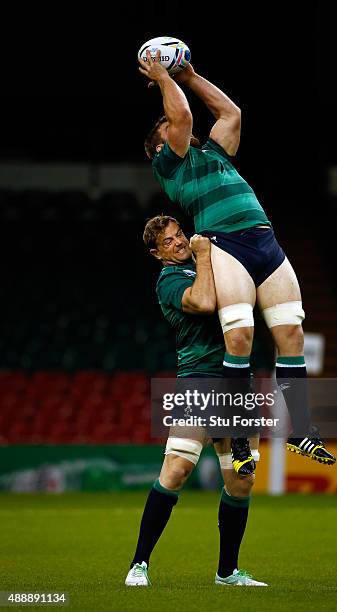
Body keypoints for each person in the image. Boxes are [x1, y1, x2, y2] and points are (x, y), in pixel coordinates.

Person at [138, 50, 336, 468]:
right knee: (241, 338)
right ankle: (240, 439)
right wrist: (161, 78)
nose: (174, 127)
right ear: (159, 146)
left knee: (292, 338)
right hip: (226, 245)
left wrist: (189, 76)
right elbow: (184, 119)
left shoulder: (214, 155)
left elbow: (231, 113)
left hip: (265, 242)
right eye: (166, 127)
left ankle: (300, 431)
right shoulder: (170, 166)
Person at [125, 215, 267, 587]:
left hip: (238, 383)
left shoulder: (211, 265)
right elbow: (204, 302)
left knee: (241, 479)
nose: (179, 242)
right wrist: (204, 254)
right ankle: (138, 564)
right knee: (176, 471)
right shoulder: (170, 281)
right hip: (199, 381)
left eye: (180, 235)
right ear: (157, 254)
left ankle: (228, 572)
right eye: (168, 242)